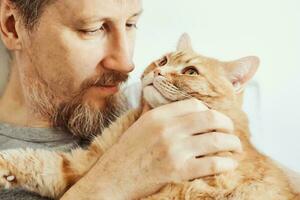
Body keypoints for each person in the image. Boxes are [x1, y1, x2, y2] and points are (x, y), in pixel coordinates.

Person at [0, 0, 243, 199]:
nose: (127, 63)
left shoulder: (145, 100)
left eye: (131, 24)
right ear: (12, 26)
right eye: (93, 29)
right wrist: (116, 180)